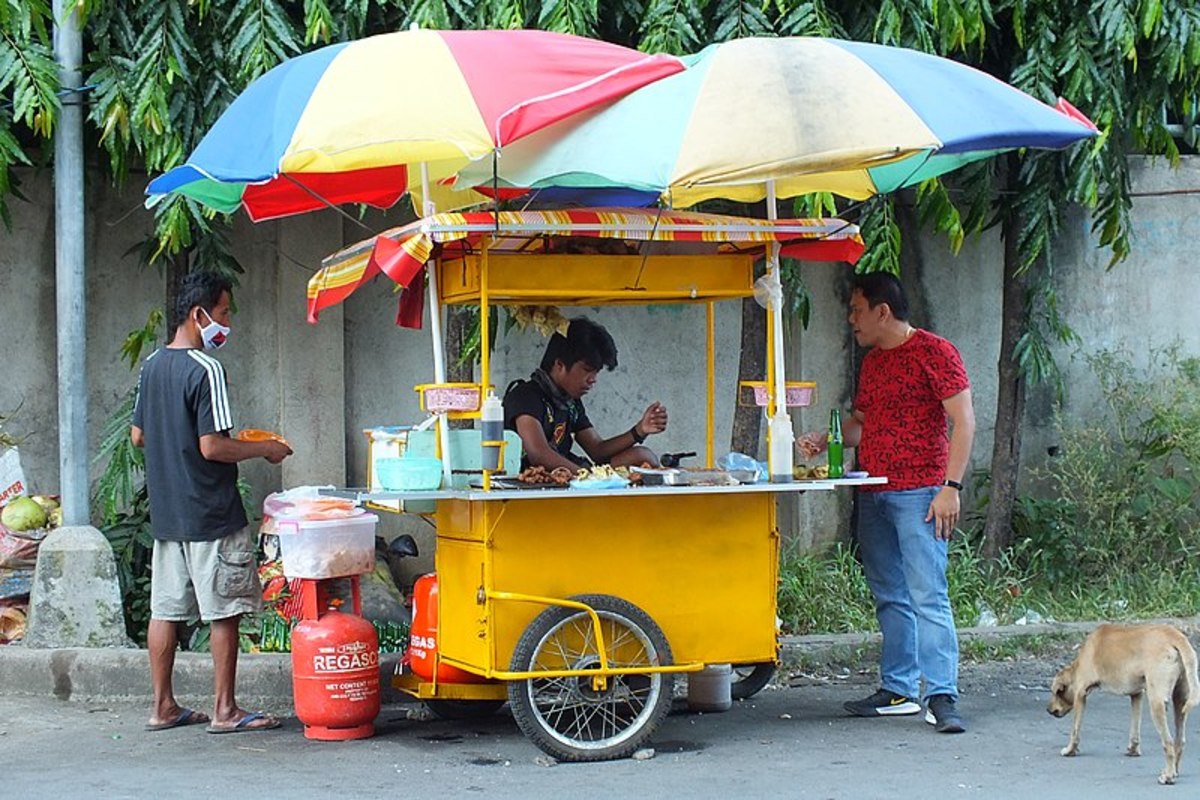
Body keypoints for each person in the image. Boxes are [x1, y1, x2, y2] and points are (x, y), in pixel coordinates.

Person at [798, 272, 975, 734]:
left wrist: (950, 487)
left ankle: (942, 694)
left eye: (857, 310)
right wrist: (825, 439)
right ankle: (898, 689)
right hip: (873, 490)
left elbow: (964, 421)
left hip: (922, 493)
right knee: (890, 596)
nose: (851, 319)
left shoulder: (936, 352)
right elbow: (859, 425)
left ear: (882, 311)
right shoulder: (873, 363)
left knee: (927, 596)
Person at [131, 272, 293, 734]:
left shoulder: (152, 366)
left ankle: (162, 706)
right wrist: (265, 448)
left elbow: (138, 435)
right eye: (222, 314)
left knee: (165, 609)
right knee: (224, 609)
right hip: (210, 510)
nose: (225, 323)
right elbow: (213, 446)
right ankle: (225, 710)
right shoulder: (206, 369)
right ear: (198, 314)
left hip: (167, 513)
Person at [504, 316, 668, 471]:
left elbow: (597, 449)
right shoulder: (525, 396)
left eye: (596, 373)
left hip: (571, 476)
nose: (593, 380)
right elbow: (539, 454)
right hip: (531, 485)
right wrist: (587, 477)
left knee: (642, 455)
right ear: (559, 365)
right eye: (587, 370)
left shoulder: (571, 402)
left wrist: (639, 430)